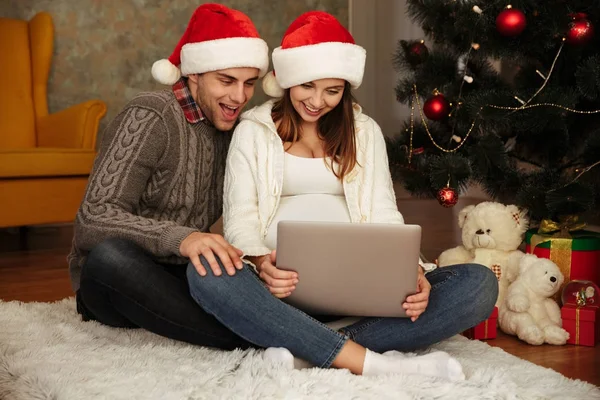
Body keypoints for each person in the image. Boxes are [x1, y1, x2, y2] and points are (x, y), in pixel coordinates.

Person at [186, 11, 498, 379]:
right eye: (307, 87)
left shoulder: (364, 132)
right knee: (204, 275)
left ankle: (307, 347)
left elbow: (384, 211)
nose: (317, 102)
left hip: (362, 295)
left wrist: (410, 271)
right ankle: (372, 360)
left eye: (332, 91)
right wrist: (260, 262)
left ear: (345, 89)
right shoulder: (253, 130)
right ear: (287, 81)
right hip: (273, 292)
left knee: (478, 284)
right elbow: (240, 215)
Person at [69, 3, 269, 350]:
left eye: (249, 83)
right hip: (117, 278)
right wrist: (184, 238)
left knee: (241, 275)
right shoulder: (151, 115)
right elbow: (92, 219)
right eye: (226, 81)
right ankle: (260, 340)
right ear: (194, 74)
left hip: (181, 274)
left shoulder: (239, 129)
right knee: (111, 257)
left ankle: (273, 331)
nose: (239, 97)